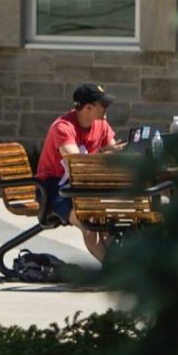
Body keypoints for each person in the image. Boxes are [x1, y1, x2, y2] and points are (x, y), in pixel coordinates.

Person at [36, 83, 123, 262]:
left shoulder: (101, 124)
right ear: (88, 107)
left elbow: (113, 149)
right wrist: (105, 156)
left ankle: (119, 265)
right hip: (54, 187)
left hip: (84, 184)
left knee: (111, 220)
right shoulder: (63, 127)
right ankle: (112, 270)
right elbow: (76, 162)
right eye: (103, 105)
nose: (107, 108)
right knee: (89, 221)